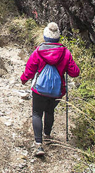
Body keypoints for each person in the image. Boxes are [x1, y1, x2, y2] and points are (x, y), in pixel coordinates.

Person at [20, 22, 80, 157]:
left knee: (36, 113)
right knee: (50, 111)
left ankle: (38, 144)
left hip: (39, 90)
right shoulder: (65, 53)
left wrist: (23, 79)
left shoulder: (38, 51)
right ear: (58, 38)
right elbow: (75, 72)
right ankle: (47, 135)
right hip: (57, 91)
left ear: (45, 37)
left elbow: (29, 70)